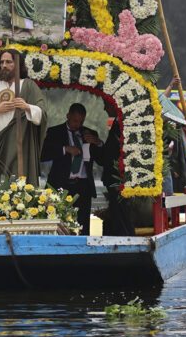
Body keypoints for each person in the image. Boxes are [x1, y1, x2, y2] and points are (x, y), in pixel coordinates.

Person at [0, 50, 47, 185]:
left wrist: (27, 107)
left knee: (21, 188)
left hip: (22, 149)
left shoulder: (29, 86)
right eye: (2, 62)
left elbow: (42, 113)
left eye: (9, 62)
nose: (4, 65)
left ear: (18, 64)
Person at [41, 103, 104, 235]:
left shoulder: (90, 133)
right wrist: (65, 149)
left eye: (81, 121)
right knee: (59, 223)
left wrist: (98, 143)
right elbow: (43, 154)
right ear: (68, 116)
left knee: (83, 225)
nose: (78, 125)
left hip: (83, 186)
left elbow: (102, 160)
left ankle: (84, 251)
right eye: (75, 121)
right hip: (61, 184)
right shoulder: (55, 132)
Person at [97, 100, 134, 236]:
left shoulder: (122, 123)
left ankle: (127, 239)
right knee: (117, 212)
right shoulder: (118, 122)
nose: (104, 109)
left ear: (114, 106)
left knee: (121, 213)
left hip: (118, 178)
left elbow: (113, 152)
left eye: (106, 106)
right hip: (113, 177)